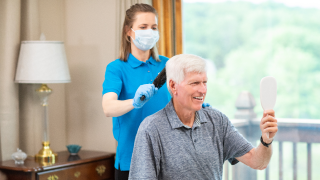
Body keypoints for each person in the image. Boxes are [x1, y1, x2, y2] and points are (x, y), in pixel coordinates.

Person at [129, 54, 278, 180]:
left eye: (204, 82)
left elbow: (258, 162)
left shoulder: (217, 121)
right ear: (173, 86)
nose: (202, 90)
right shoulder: (151, 129)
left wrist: (266, 140)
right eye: (194, 83)